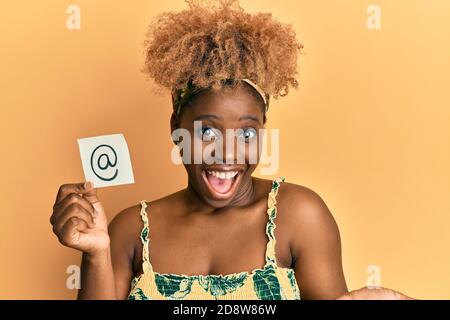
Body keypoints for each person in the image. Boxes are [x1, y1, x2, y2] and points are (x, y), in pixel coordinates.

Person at [50, 0, 414, 300]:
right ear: (177, 129)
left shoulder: (299, 216)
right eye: (207, 130)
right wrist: (96, 253)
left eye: (247, 133)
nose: (228, 153)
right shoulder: (130, 230)